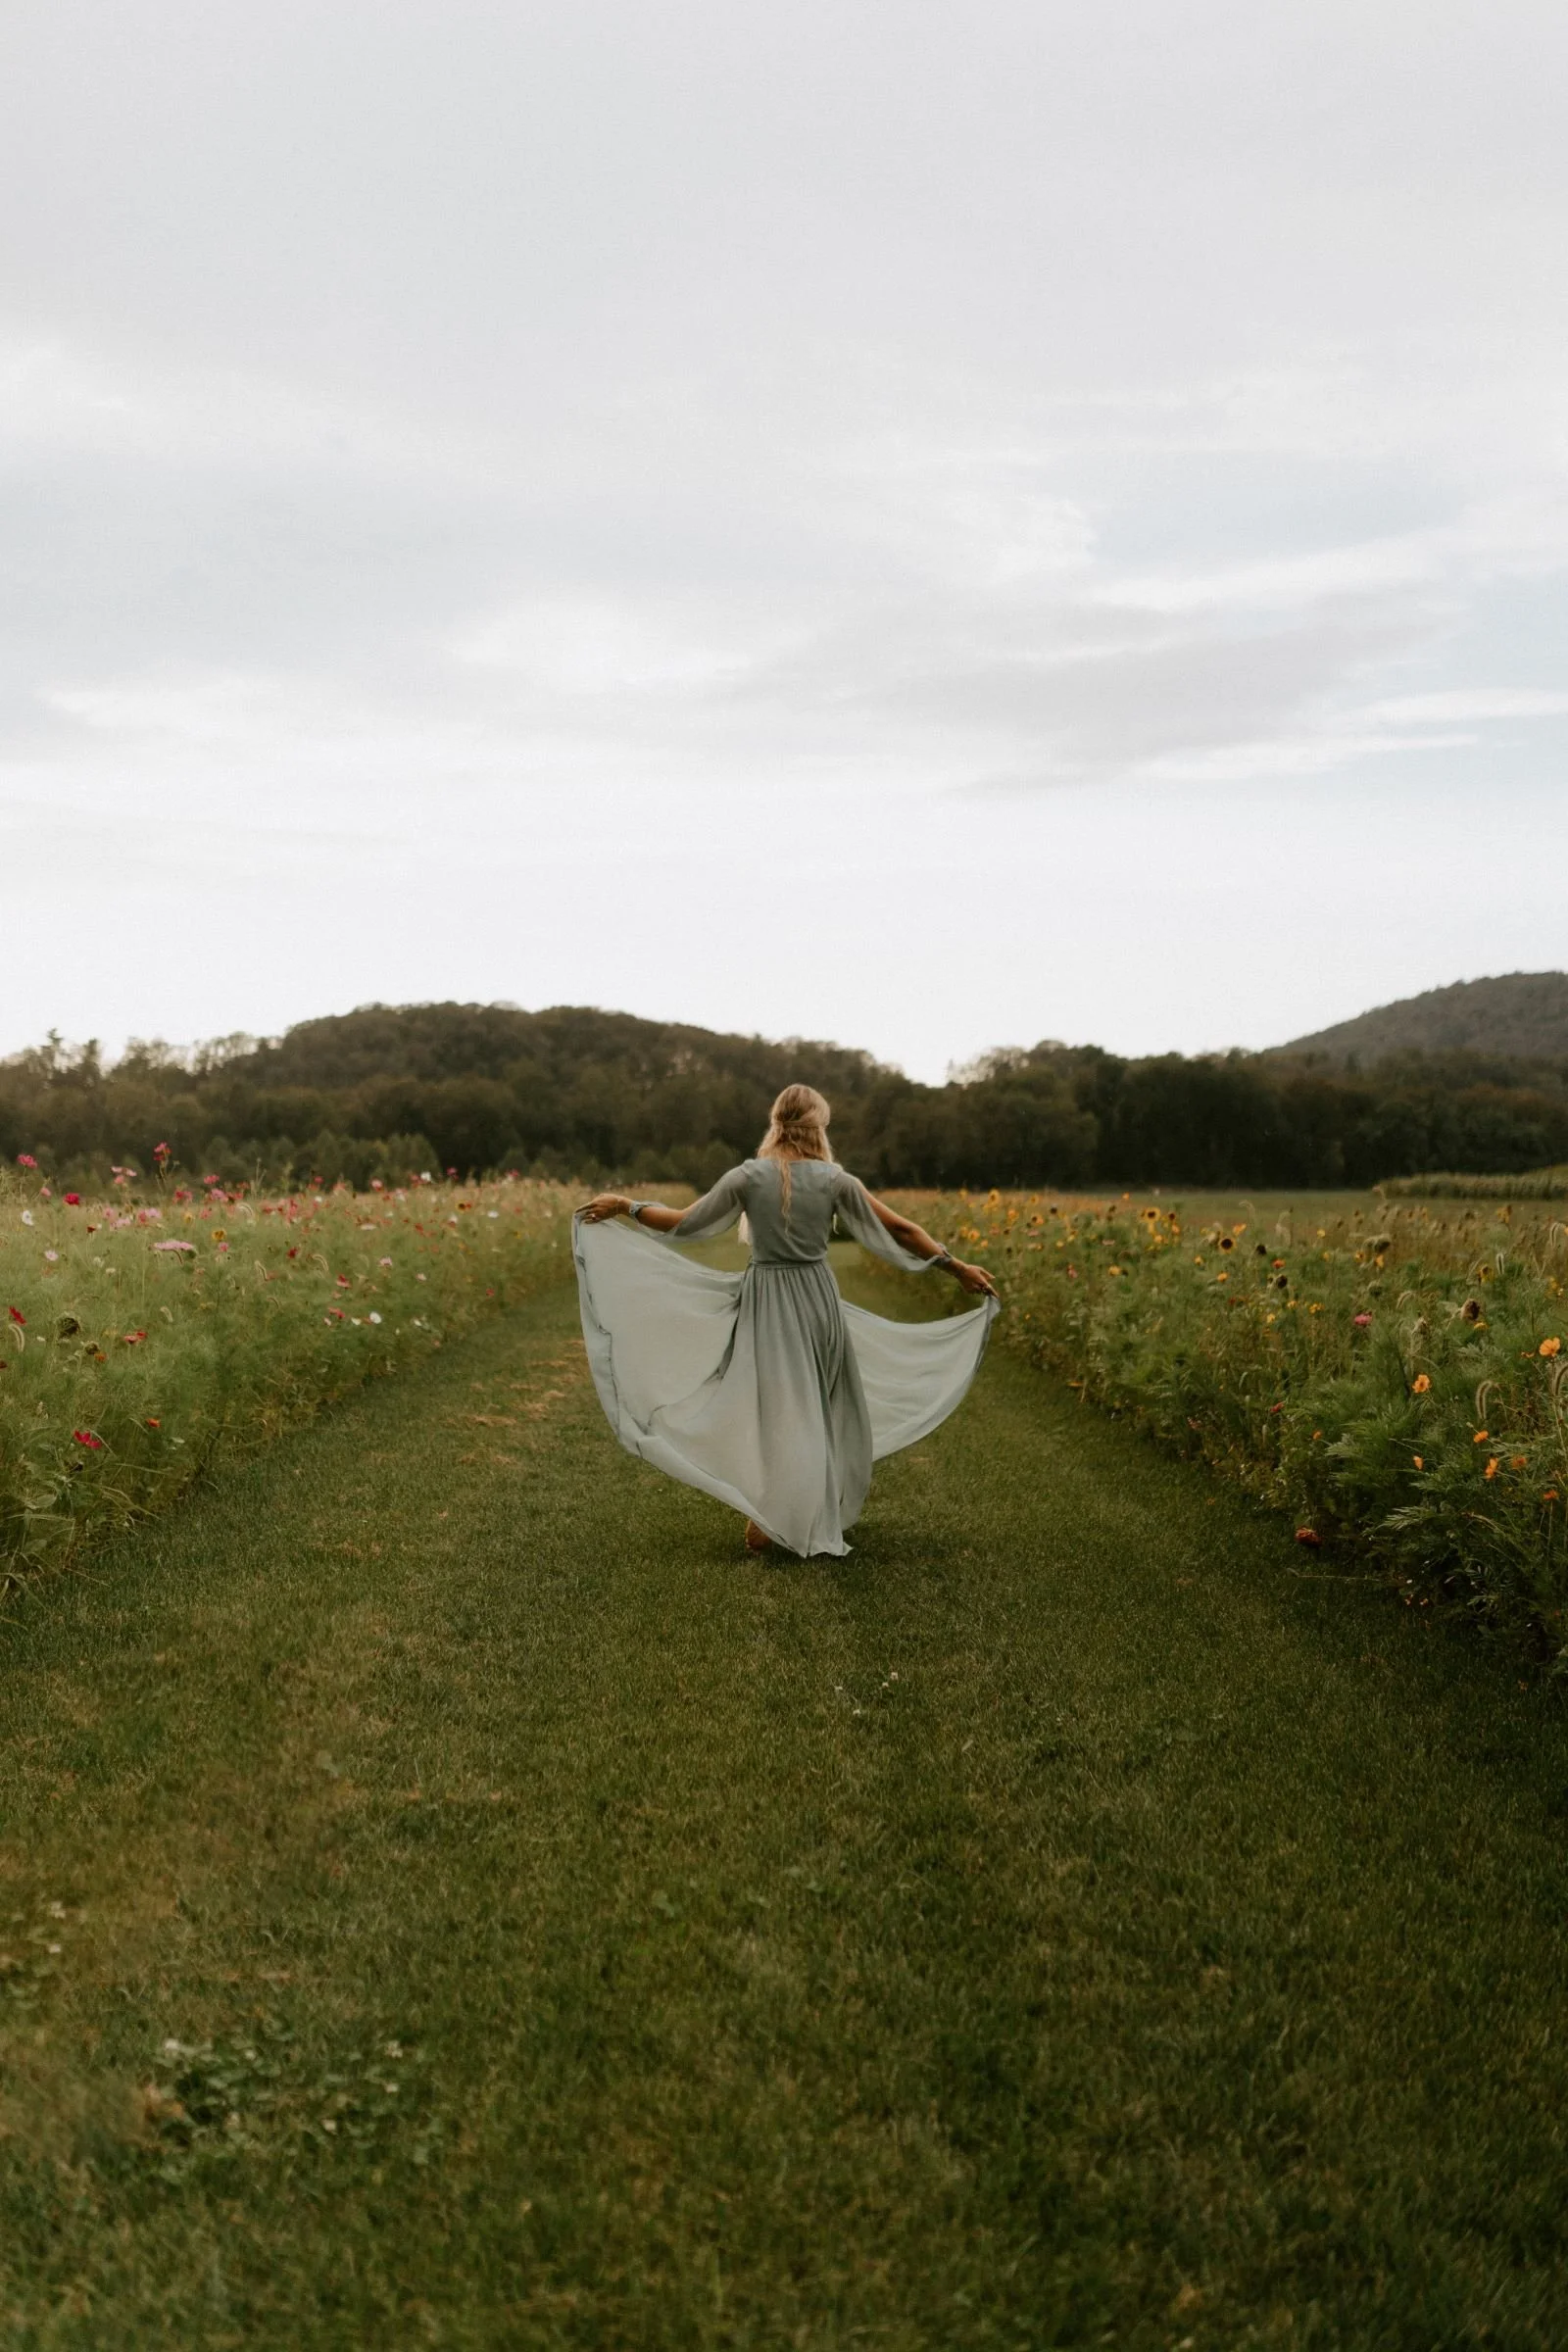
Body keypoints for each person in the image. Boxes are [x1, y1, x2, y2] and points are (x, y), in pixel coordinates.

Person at [574, 1083, 999, 1558]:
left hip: (770, 1300)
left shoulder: (748, 1176)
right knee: (816, 1403)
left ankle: (775, 1515)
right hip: (817, 1298)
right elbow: (900, 1229)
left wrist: (626, 1206)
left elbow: (682, 1222)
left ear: (776, 1122)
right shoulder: (835, 1180)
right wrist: (956, 1266)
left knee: (779, 1407)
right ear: (818, 1126)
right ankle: (788, 1514)